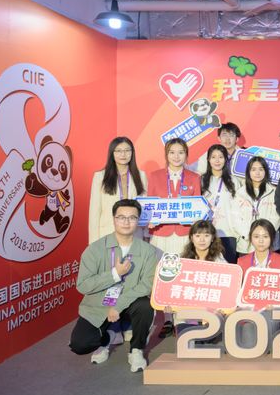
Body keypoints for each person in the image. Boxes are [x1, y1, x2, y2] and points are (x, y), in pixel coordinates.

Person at [69, 199, 159, 373]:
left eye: (132, 218)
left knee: (145, 306)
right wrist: (114, 274)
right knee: (80, 345)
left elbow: (147, 285)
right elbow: (83, 285)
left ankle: (136, 350)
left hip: (129, 302)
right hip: (99, 305)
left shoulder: (147, 251)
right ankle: (107, 338)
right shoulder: (95, 249)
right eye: (121, 217)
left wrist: (118, 305)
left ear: (138, 221)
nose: (126, 222)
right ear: (114, 219)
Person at [235, 220, 280, 351]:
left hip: (272, 310)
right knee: (248, 333)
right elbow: (237, 292)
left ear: (272, 238)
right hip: (248, 310)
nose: (260, 241)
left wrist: (275, 305)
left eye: (265, 236)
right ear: (251, 238)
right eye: (256, 236)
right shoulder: (242, 261)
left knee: (266, 324)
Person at [89, 137, 148, 243]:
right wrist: (93, 243)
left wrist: (145, 234)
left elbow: (145, 208)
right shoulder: (100, 176)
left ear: (132, 153)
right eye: (119, 151)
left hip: (134, 234)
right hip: (108, 233)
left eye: (127, 150)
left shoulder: (141, 176)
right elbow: (94, 212)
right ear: (112, 153)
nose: (123, 154)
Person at [148, 138, 202, 255]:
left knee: (184, 264)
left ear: (186, 155)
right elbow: (149, 205)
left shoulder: (194, 177)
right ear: (166, 155)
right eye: (172, 152)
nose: (176, 156)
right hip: (160, 233)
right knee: (159, 265)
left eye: (181, 152)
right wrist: (149, 219)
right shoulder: (154, 176)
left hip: (185, 233)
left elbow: (197, 206)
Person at [233, 156, 280, 255]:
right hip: (246, 244)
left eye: (261, 169)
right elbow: (235, 217)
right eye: (253, 169)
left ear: (266, 171)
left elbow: (277, 217)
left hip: (269, 243)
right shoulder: (240, 193)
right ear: (248, 172)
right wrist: (249, 235)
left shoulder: (273, 192)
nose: (257, 173)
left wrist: (265, 235)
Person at [200, 144, 240, 263]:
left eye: (221, 157)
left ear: (226, 159)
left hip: (228, 232)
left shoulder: (234, 181)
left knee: (229, 268)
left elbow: (239, 207)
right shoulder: (201, 181)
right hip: (206, 233)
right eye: (213, 157)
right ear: (208, 159)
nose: (217, 161)